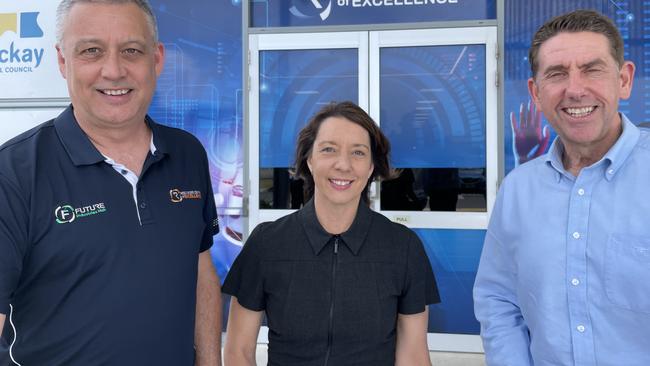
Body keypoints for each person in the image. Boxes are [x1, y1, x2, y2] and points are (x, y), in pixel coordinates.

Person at [0, 1, 222, 364]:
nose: (114, 70)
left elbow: (200, 271)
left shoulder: (187, 154)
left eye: (131, 50)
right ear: (62, 61)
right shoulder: (14, 172)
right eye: (92, 51)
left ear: (157, 58)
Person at [474, 9, 649, 366]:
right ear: (536, 93)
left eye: (592, 68)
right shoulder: (518, 190)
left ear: (625, 80)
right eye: (557, 74)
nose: (574, 89)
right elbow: (498, 299)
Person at [223, 101, 439, 366]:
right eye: (329, 149)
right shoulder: (266, 244)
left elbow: (414, 356)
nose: (343, 164)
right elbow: (238, 352)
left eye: (358, 153)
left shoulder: (403, 248)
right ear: (310, 161)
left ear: (372, 166)